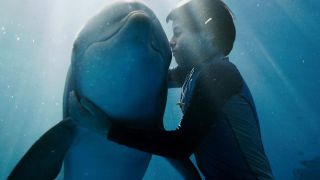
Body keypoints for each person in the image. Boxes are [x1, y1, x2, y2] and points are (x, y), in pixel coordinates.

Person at [70, 0, 275, 179]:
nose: (171, 42)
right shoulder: (197, 72)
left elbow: (179, 145)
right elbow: (155, 75)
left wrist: (106, 129)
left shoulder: (220, 74)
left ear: (209, 35)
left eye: (178, 32)